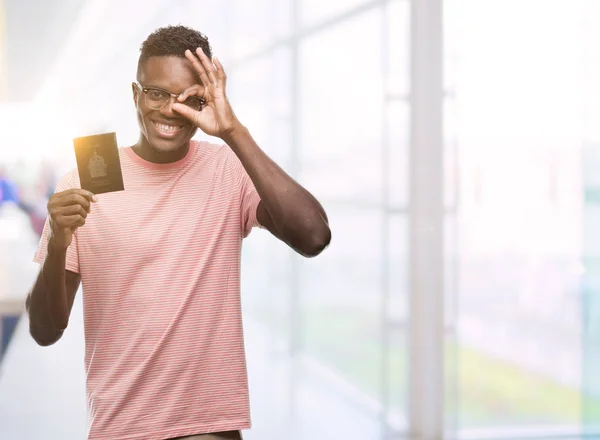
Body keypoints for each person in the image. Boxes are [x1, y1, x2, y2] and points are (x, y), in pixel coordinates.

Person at [25, 25, 331, 440]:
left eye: (189, 98)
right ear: (135, 94)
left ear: (206, 99)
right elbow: (45, 331)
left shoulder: (227, 168)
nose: (171, 111)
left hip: (208, 429)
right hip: (119, 428)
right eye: (156, 94)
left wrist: (234, 132)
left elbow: (313, 236)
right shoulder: (86, 179)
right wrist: (59, 244)